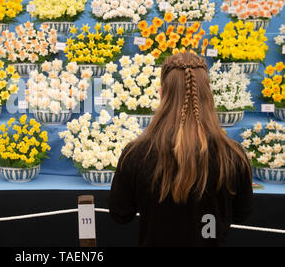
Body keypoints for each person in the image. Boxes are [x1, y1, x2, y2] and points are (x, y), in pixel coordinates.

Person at [108, 52, 253, 247]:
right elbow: (241, 215)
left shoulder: (135, 154)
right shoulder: (233, 156)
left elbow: (120, 213)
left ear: (161, 94)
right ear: (208, 95)